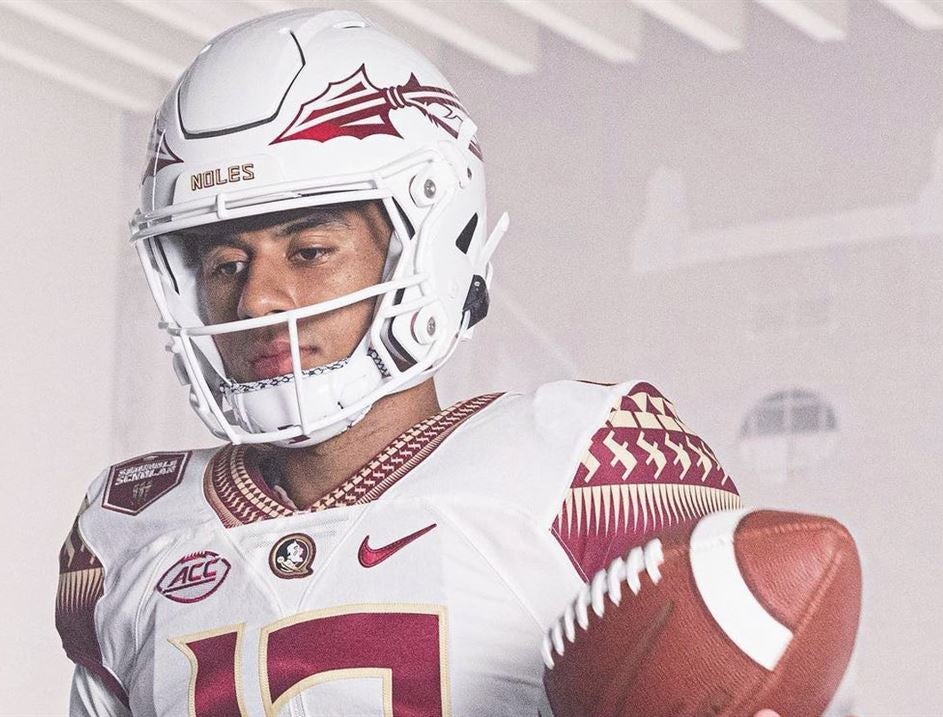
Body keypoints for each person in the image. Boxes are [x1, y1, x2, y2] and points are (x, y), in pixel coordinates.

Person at [56, 9, 803, 716]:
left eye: (310, 251)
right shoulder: (130, 526)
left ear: (428, 240)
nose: (258, 299)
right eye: (223, 264)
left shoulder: (588, 468)